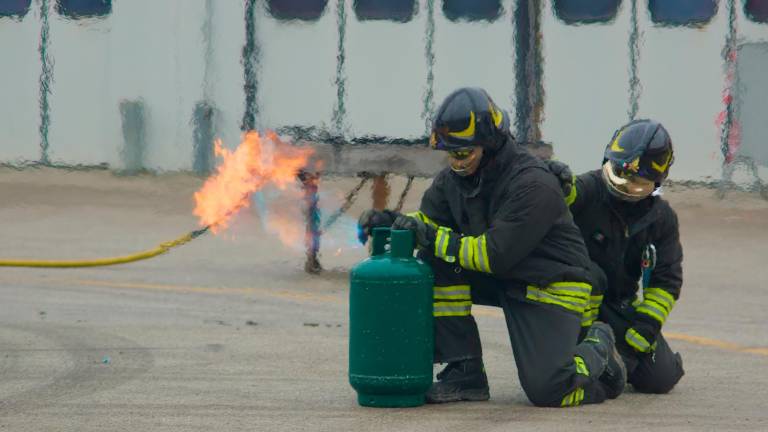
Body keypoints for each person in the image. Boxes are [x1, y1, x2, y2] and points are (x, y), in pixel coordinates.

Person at [357, 87, 625, 407]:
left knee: (551, 390)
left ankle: (598, 346)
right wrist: (392, 221)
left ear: (490, 144)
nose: (455, 163)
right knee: (433, 260)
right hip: (505, 277)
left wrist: (429, 233)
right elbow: (431, 221)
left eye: (463, 153)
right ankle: (465, 370)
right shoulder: (455, 180)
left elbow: (494, 255)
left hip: (550, 283)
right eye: (450, 154)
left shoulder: (532, 183)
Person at [552, 119, 685, 394]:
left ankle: (612, 356)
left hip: (617, 305)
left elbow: (666, 280)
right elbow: (567, 195)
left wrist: (647, 325)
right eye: (619, 172)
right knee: (594, 278)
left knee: (661, 379)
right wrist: (556, 182)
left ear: (656, 182)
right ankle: (588, 352)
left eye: (636, 180)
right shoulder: (589, 188)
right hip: (575, 300)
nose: (624, 183)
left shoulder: (661, 220)